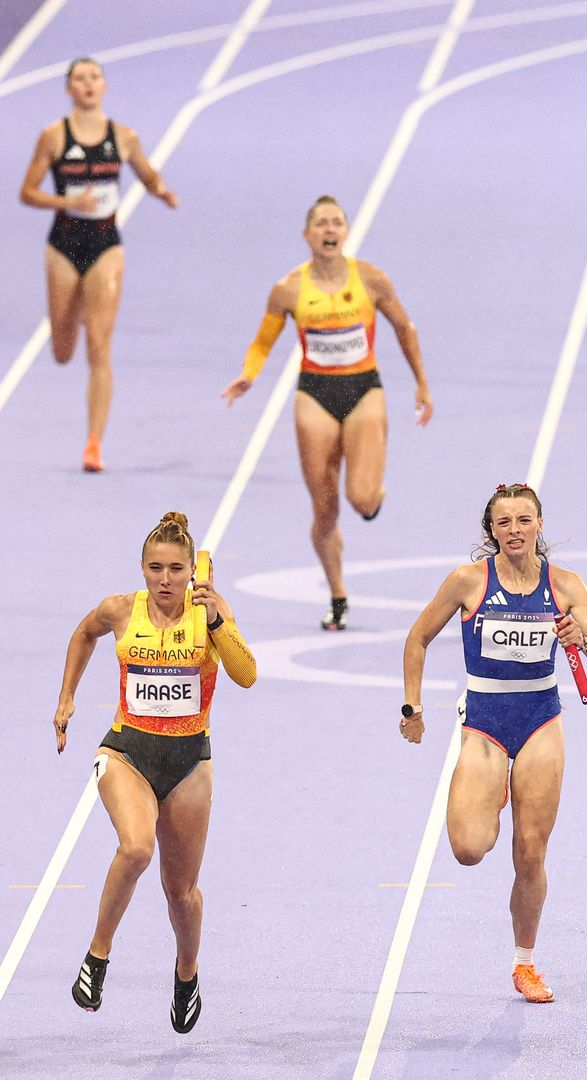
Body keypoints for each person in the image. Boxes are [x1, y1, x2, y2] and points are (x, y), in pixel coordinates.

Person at [399, 484, 587, 1003]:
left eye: (524, 520)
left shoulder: (565, 585)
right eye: (504, 523)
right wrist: (412, 707)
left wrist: (581, 642)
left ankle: (525, 962)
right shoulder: (468, 581)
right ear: (491, 531)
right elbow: (417, 638)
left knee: (530, 852)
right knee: (469, 848)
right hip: (485, 722)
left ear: (539, 525)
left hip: (541, 722)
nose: (515, 530)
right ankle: (495, 782)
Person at [52, 512, 256, 1031]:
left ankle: (187, 973)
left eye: (175, 570)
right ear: (142, 569)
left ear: (193, 571)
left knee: (180, 891)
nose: (165, 580)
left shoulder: (209, 613)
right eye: (155, 568)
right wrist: (66, 698)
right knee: (136, 846)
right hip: (128, 752)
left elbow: (247, 675)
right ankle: (98, 956)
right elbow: (83, 633)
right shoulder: (122, 610)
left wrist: (216, 624)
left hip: (189, 762)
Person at [221, 195, 432, 631]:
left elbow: (403, 327)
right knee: (325, 511)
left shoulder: (371, 279)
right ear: (307, 235)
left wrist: (422, 382)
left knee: (362, 498)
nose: (329, 229)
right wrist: (248, 375)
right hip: (315, 393)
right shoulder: (289, 289)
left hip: (363, 388)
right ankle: (337, 593)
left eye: (336, 222)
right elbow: (264, 341)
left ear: (346, 231)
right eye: (321, 223)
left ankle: (373, 490)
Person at [17, 57, 178, 472]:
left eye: (94, 77)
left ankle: (94, 444)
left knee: (99, 347)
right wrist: (69, 202)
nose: (87, 84)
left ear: (104, 86)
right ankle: (76, 309)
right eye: (79, 79)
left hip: (106, 244)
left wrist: (161, 191)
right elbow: (28, 192)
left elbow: (145, 173)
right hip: (63, 245)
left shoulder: (123, 137)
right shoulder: (53, 136)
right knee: (63, 350)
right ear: (69, 89)